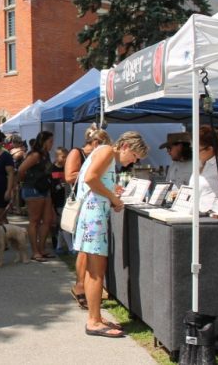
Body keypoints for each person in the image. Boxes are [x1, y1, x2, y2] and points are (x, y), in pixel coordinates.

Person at [76, 131, 148, 338]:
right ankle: (94, 321)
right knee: (98, 270)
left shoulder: (103, 152)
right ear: (125, 146)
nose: (132, 161)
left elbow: (92, 179)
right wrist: (114, 199)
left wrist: (110, 193)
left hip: (92, 214)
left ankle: (95, 316)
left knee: (93, 270)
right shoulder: (107, 150)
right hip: (94, 216)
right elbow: (91, 178)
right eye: (134, 156)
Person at [65, 125, 112, 309]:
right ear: (94, 142)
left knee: (86, 250)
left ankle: (86, 286)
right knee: (83, 249)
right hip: (82, 201)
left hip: (91, 200)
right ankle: (80, 285)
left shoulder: (95, 155)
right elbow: (70, 176)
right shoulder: (77, 153)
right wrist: (96, 170)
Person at [18, 131, 56, 262]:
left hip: (45, 189)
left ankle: (42, 249)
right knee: (34, 221)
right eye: (50, 141)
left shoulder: (46, 155)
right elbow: (21, 169)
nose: (52, 144)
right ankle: (35, 251)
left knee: (47, 220)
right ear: (44, 141)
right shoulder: (35, 155)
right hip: (33, 190)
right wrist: (25, 181)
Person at [50, 147, 69, 254]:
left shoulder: (67, 168)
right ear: (57, 157)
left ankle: (60, 245)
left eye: (67, 156)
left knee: (63, 221)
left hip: (66, 198)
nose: (66, 159)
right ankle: (56, 242)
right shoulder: (52, 169)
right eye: (63, 156)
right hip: (56, 199)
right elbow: (50, 187)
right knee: (57, 222)